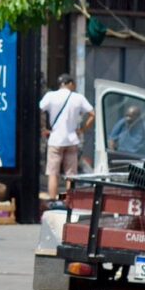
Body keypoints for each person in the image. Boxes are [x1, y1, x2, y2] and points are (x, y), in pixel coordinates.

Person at [39, 74, 94, 202]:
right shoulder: (78, 98)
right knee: (71, 175)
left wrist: (43, 128)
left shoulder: (50, 96)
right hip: (72, 140)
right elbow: (92, 114)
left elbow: (38, 110)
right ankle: (68, 201)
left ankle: (52, 200)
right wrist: (82, 130)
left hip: (55, 140)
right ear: (70, 83)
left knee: (53, 173)